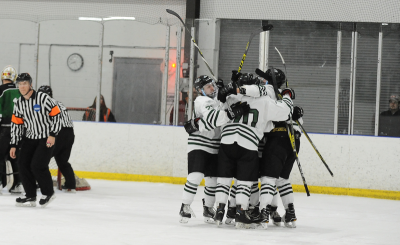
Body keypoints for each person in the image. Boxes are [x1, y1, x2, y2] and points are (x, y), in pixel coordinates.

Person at [213, 70, 294, 229]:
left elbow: (217, 110)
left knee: (224, 180)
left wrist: (222, 92)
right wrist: (287, 97)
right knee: (244, 181)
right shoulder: (264, 100)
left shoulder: (231, 97)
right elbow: (285, 112)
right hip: (248, 143)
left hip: (226, 141)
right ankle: (241, 213)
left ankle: (220, 211)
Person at [179, 75, 248, 224]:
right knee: (195, 176)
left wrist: (230, 86)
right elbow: (212, 119)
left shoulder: (218, 98)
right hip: (199, 143)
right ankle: (185, 206)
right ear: (200, 90)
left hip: (215, 144)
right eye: (207, 86)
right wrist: (230, 113)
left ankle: (208, 208)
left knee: (212, 180)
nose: (211, 88)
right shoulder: (201, 101)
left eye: (212, 85)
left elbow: (224, 104)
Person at [10, 73, 62, 207]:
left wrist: (53, 134)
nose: (22, 87)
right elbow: (16, 124)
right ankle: (30, 195)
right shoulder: (18, 102)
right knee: (22, 164)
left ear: (30, 84)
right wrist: (14, 144)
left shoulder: (42, 98)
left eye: (25, 83)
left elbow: (57, 116)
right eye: (20, 84)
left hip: (45, 138)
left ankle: (48, 193)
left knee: (37, 165)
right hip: (29, 138)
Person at [38, 85, 76, 193]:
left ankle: (43, 183)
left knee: (41, 159)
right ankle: (71, 185)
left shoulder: (44, 103)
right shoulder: (60, 103)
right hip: (70, 134)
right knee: (62, 161)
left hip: (58, 133)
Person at [0, 65, 23, 194]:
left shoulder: (0, 90)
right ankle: (17, 184)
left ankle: (0, 182)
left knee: (0, 156)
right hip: (19, 129)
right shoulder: (21, 90)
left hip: (4, 128)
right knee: (15, 157)